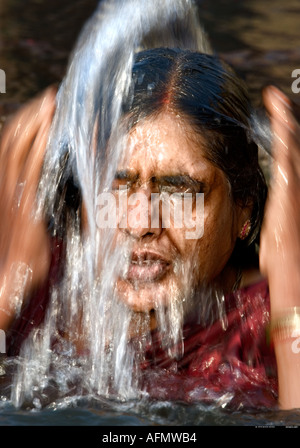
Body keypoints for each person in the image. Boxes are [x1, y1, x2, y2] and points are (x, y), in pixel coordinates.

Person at [0, 47, 300, 411]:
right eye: (115, 183)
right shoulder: (38, 277)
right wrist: (6, 293)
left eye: (180, 190)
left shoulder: (268, 316)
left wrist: (291, 295)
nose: (140, 224)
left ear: (244, 208)